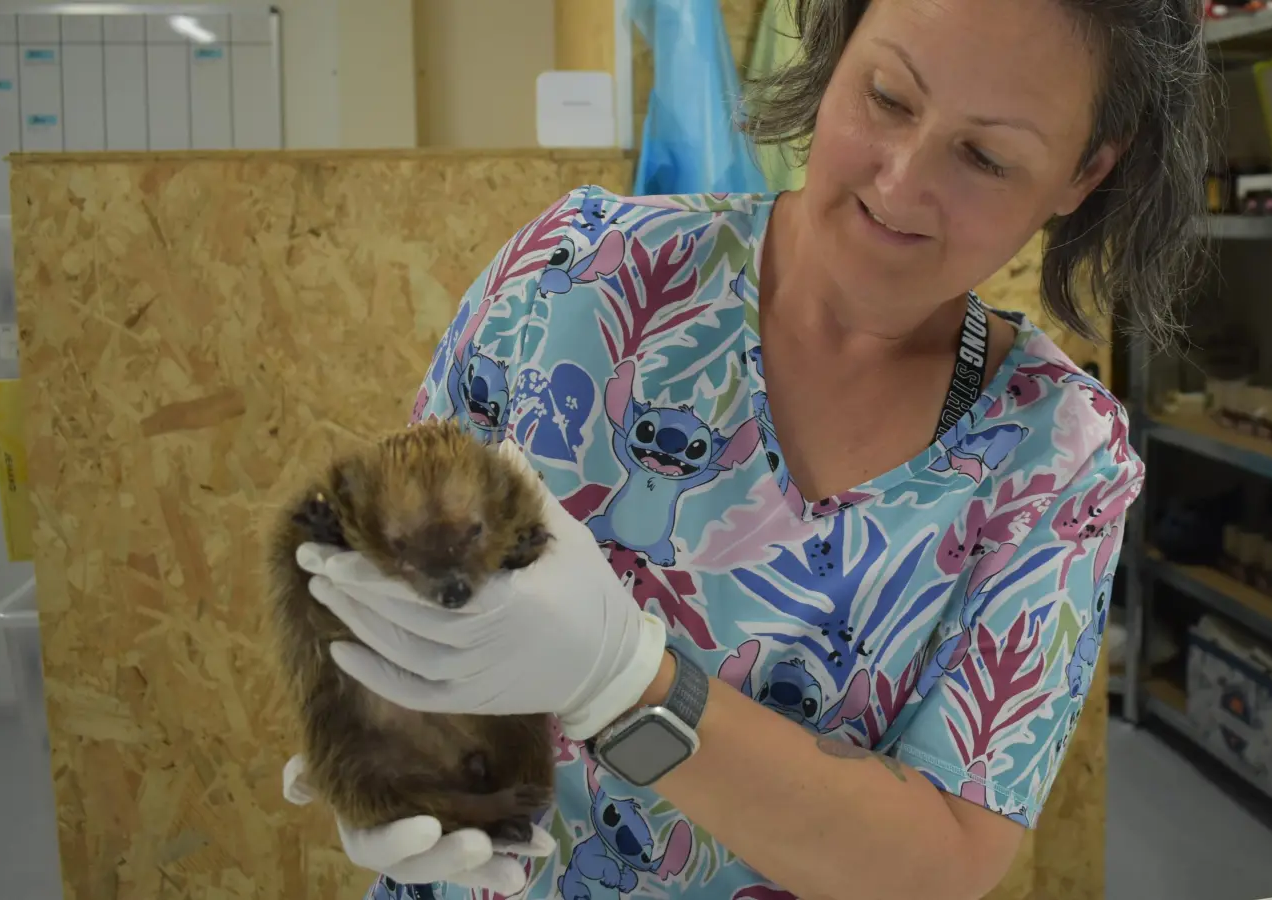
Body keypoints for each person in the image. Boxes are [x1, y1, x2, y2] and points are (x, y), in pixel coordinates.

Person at [281, 0, 1210, 897]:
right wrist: (381, 756)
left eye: (985, 156)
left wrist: (627, 683)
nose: (899, 180)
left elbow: (944, 859)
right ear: (840, 45)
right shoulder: (576, 277)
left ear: (1084, 174)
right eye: (887, 96)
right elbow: (387, 572)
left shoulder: (1054, 460)